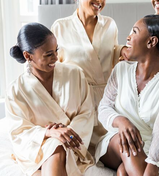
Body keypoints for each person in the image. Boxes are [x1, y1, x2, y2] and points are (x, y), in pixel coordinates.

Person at [94, 15, 159, 176]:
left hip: (153, 146)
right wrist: (121, 121)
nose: (128, 37)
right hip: (116, 139)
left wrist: (152, 167)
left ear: (151, 42)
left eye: (134, 32)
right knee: (129, 144)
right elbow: (103, 108)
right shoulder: (121, 69)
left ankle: (125, 168)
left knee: (123, 172)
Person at [6, 23, 95, 176]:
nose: (56, 58)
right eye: (48, 54)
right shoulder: (16, 90)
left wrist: (67, 134)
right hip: (37, 147)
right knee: (55, 145)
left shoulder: (75, 74)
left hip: (75, 142)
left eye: (56, 51)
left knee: (58, 145)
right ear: (28, 56)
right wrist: (48, 133)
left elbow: (87, 113)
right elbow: (18, 131)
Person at [51, 0, 127, 148]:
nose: (100, 0)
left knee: (116, 146)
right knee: (74, 149)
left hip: (106, 99)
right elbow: (55, 66)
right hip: (75, 101)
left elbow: (111, 52)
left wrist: (122, 49)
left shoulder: (109, 24)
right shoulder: (60, 26)